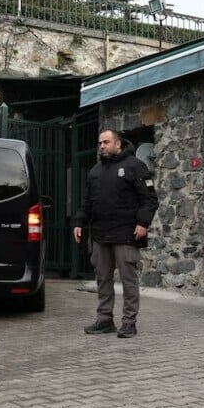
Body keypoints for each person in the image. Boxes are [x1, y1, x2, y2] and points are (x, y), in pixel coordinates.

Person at [73, 130, 159, 338]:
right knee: (103, 278)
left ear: (118, 144)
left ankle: (129, 322)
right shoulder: (95, 171)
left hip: (126, 233)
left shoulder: (135, 166)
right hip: (100, 234)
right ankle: (105, 320)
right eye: (99, 142)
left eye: (106, 142)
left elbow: (149, 199)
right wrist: (79, 222)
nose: (101, 146)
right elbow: (87, 202)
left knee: (128, 279)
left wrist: (143, 222)